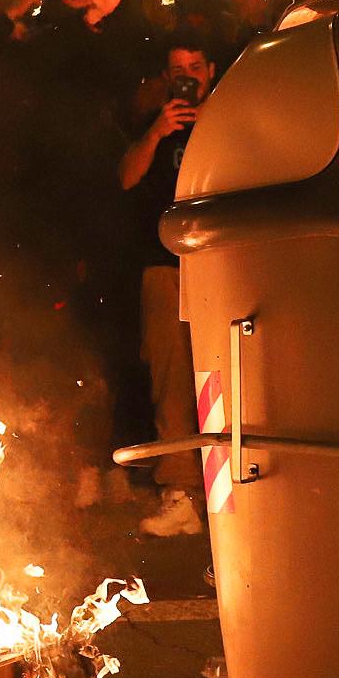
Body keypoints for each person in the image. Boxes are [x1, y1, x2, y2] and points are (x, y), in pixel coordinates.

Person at [119, 36, 217, 536]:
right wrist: (158, 132)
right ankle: (178, 492)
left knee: (224, 376)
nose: (187, 77)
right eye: (177, 69)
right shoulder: (152, 124)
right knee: (171, 374)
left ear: (211, 70)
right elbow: (127, 178)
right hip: (164, 263)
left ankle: (228, 496)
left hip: (222, 264)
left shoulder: (230, 117)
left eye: (194, 67)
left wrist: (214, 128)